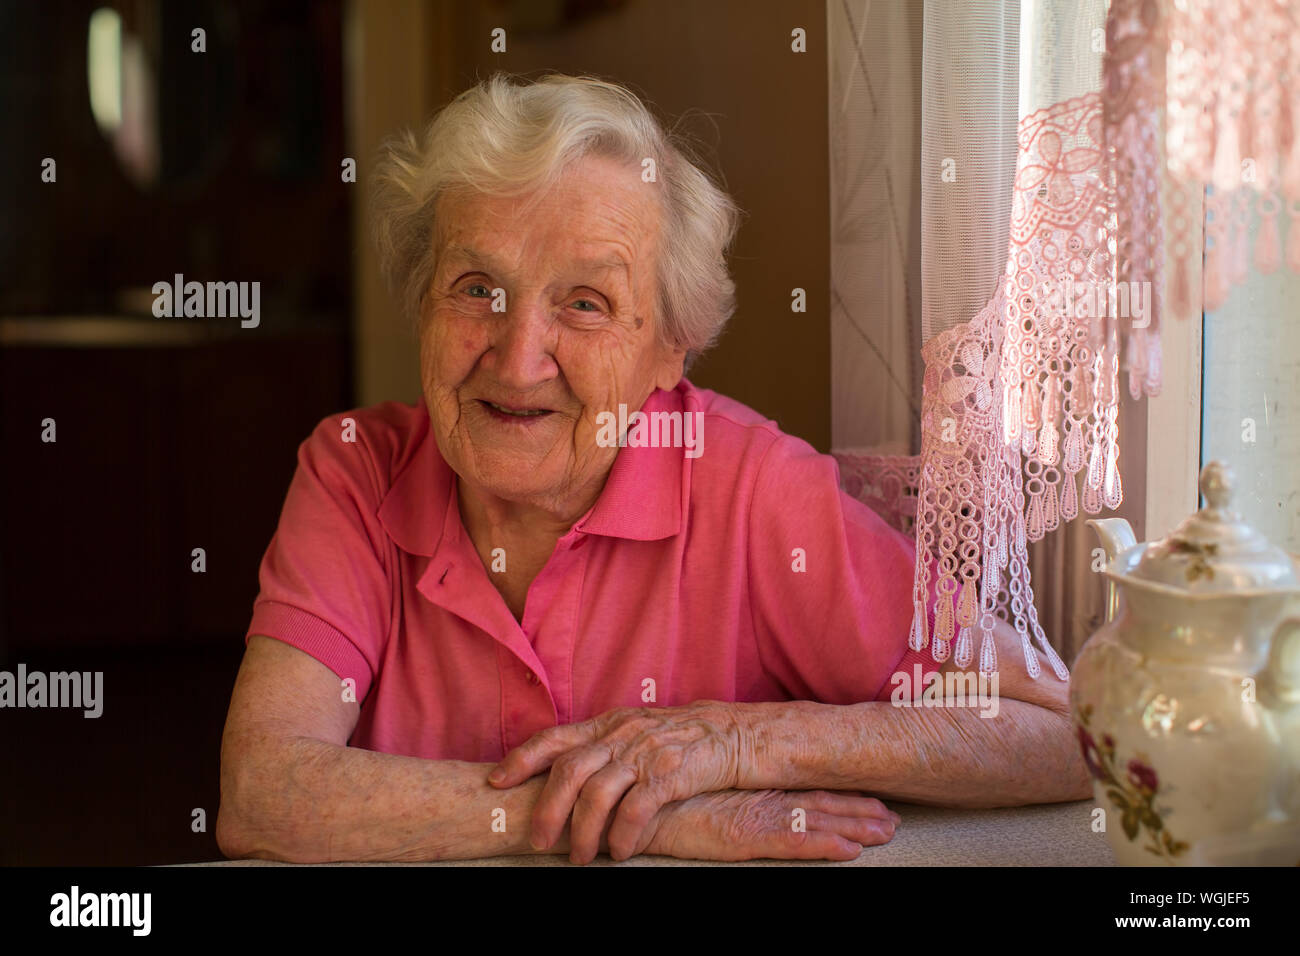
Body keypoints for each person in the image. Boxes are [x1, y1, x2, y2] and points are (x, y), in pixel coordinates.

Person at [216, 72, 1090, 865]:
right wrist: (626, 809)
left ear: (671, 348)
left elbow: (1062, 730)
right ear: (420, 300)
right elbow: (263, 794)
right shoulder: (356, 473)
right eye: (477, 286)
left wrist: (736, 745)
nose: (519, 360)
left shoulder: (753, 493)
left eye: (585, 304)